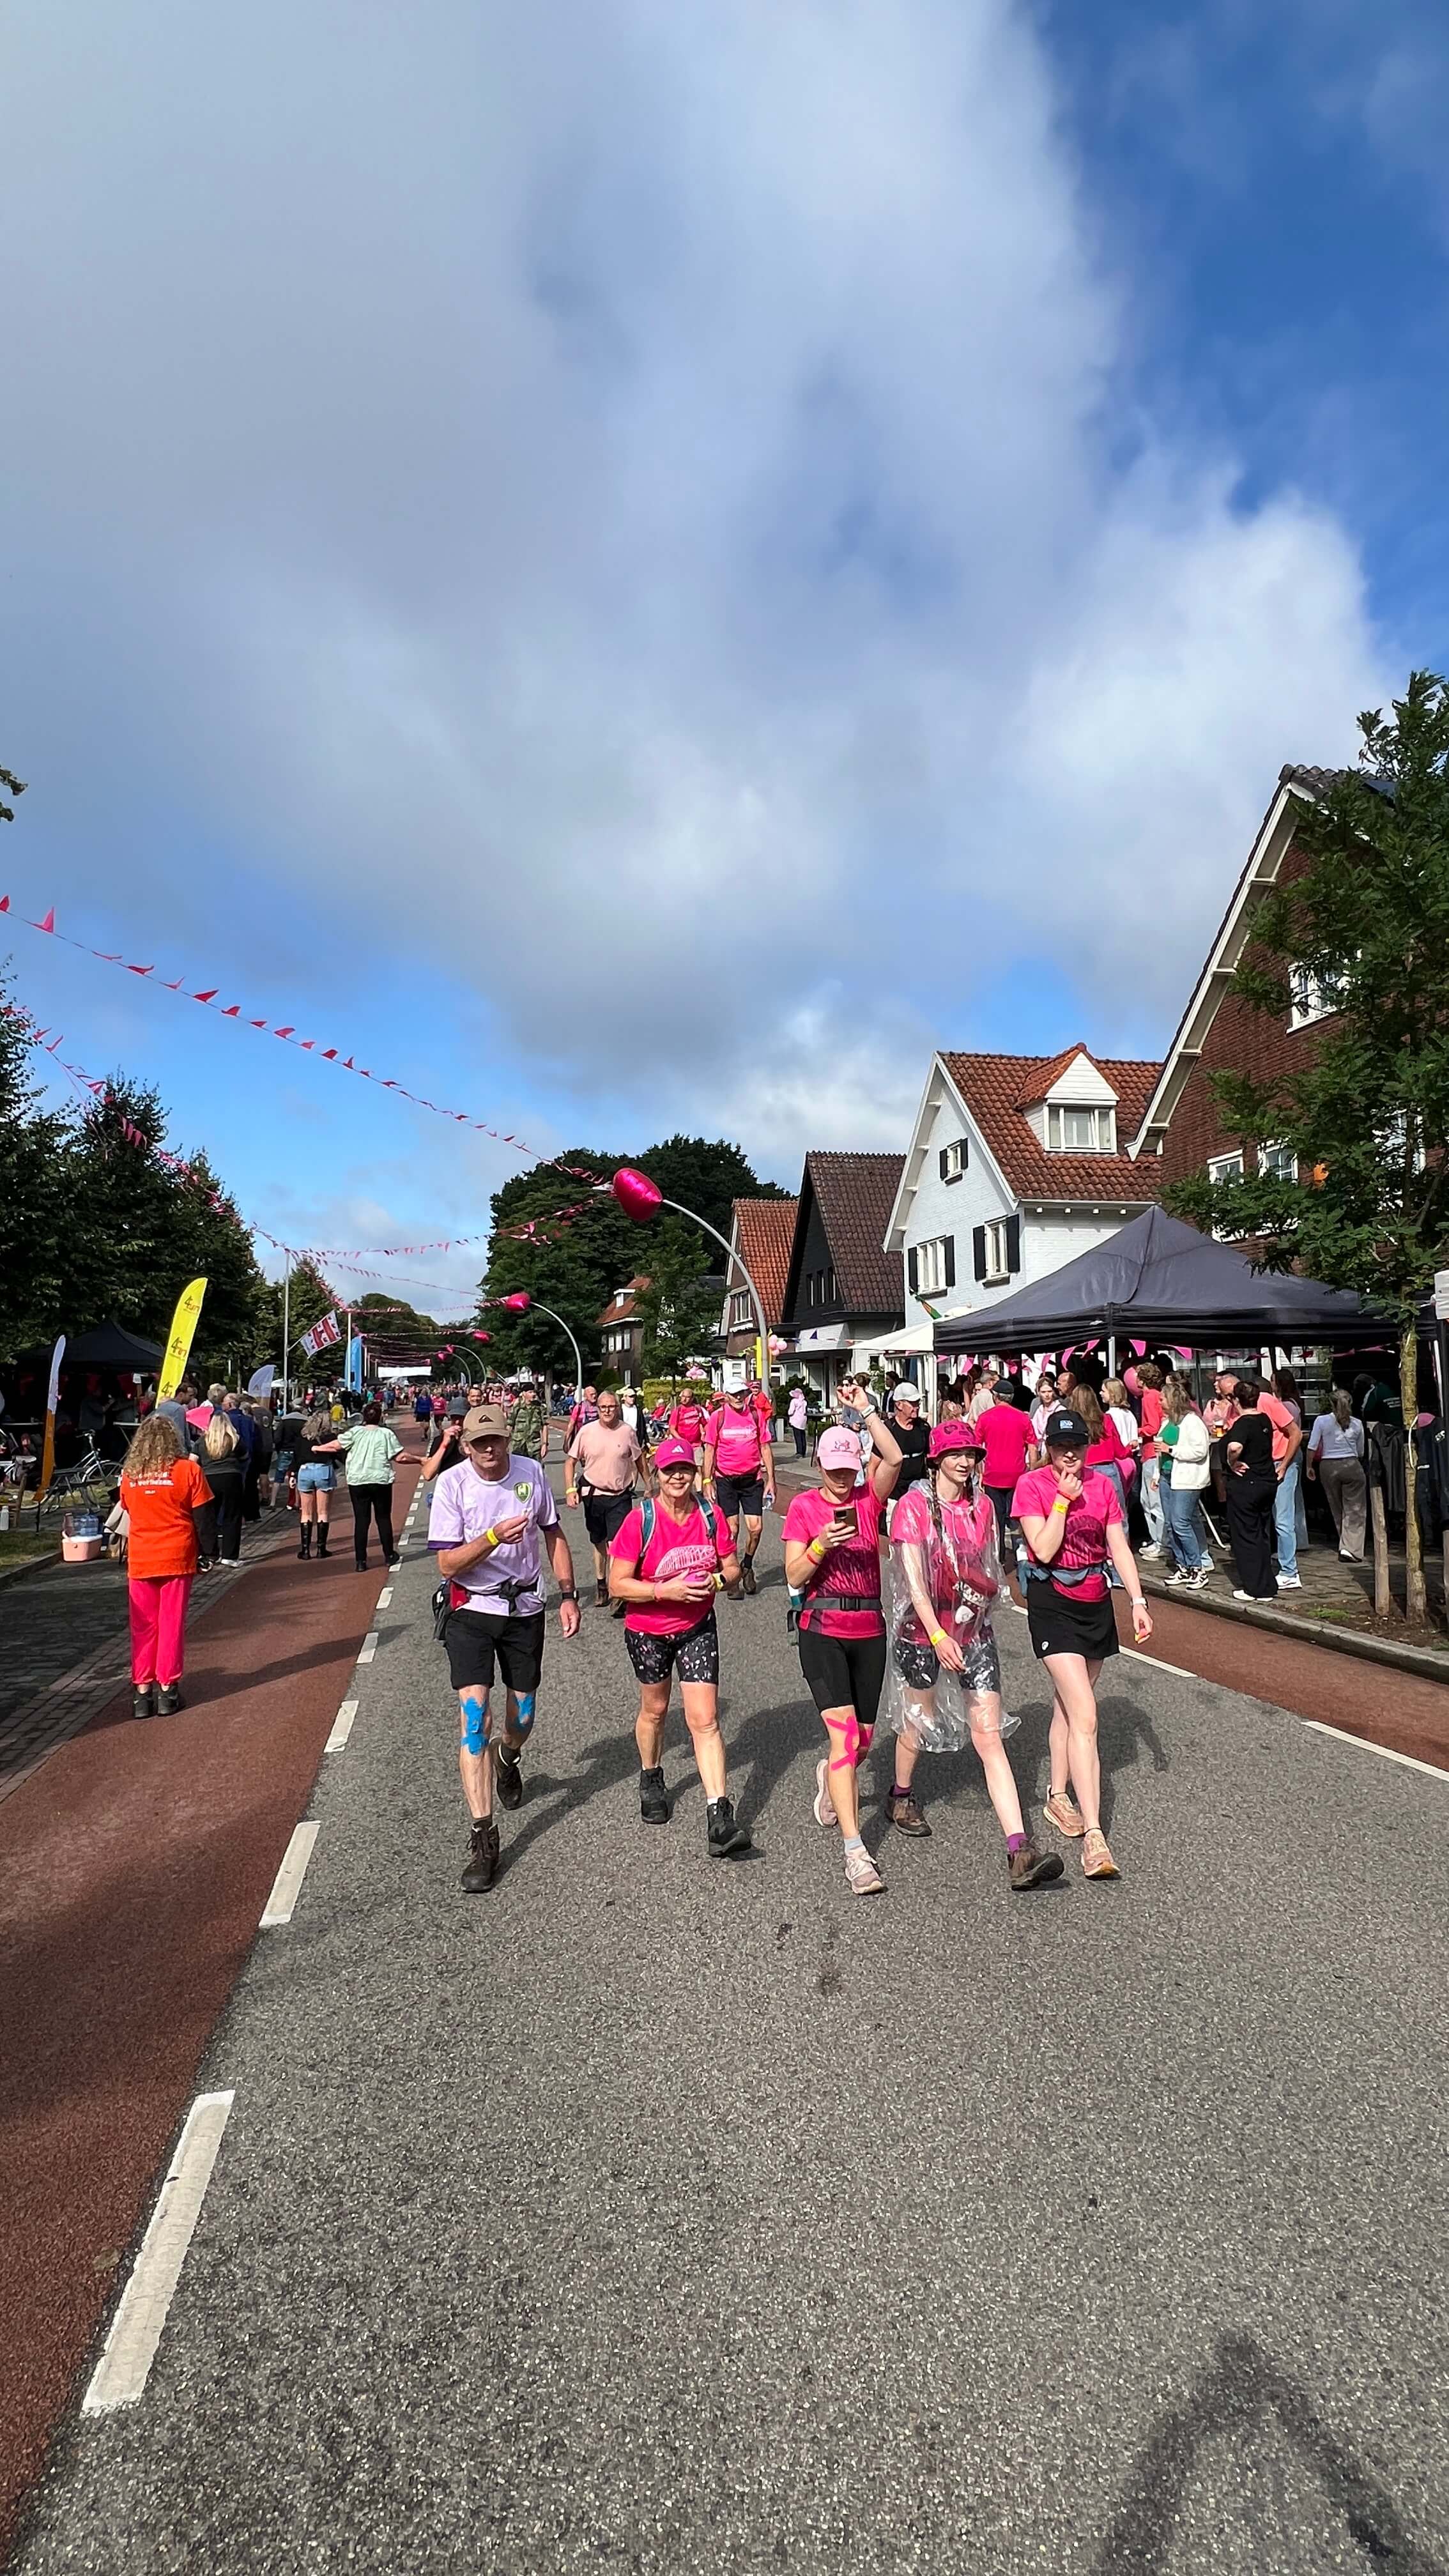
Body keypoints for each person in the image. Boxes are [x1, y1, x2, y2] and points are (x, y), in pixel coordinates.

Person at [885, 1419, 1061, 1887]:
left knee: (989, 1736)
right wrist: (938, 1636)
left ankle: (1019, 1848)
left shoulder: (983, 1506)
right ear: (936, 1459)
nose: (966, 1463)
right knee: (917, 1726)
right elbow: (912, 1583)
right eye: (957, 1454)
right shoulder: (913, 1507)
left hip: (973, 1630)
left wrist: (981, 1613)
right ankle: (901, 1793)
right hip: (923, 1631)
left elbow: (987, 1567)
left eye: (972, 1455)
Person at [429, 1403, 581, 1892]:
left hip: (525, 1610)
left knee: (522, 1718)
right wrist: (493, 1537)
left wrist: (568, 1594)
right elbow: (448, 1565)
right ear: (466, 1445)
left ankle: (509, 1758)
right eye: (480, 1443)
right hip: (471, 1610)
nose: (490, 1450)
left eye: (497, 1440)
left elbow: (553, 1534)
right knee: (476, 1718)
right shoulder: (452, 1485)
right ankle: (483, 1834)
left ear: (507, 1440)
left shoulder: (531, 1473)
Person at [1012, 1407, 1153, 1880]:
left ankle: (1057, 1796)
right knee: (1087, 1713)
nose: (1068, 1455)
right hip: (1052, 1600)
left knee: (1068, 1711)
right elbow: (1045, 1549)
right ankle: (1095, 1837)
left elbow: (1118, 1546)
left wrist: (1137, 1600)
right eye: (1059, 1446)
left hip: (1095, 1600)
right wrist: (1061, 1501)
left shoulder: (1104, 1485)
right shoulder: (1031, 1486)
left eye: (1076, 1446)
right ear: (1047, 1447)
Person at [781, 1382, 903, 1897]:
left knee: (864, 1741)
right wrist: (818, 1547)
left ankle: (830, 1778)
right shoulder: (805, 1507)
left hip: (869, 1629)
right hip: (822, 1629)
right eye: (831, 1469)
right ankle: (856, 1853)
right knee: (846, 1738)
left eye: (846, 1469)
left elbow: (894, 1455)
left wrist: (866, 1411)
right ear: (818, 1464)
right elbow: (791, 1575)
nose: (838, 1478)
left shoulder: (868, 1498)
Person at [608, 1437, 752, 1855]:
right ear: (657, 1474)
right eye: (669, 1470)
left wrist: (718, 1582)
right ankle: (651, 1774)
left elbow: (732, 1570)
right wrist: (663, 1590)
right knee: (654, 1710)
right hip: (647, 1629)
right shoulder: (641, 1520)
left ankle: (719, 1816)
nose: (677, 1477)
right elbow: (618, 1584)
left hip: (697, 1627)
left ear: (695, 1473)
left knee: (705, 1720)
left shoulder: (710, 1516)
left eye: (684, 1470)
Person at [119, 1413, 212, 1717]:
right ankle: (167, 1691)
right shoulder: (188, 1470)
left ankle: (141, 1694)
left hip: (142, 1556)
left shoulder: (129, 1475)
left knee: (143, 1627)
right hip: (176, 1555)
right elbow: (203, 1517)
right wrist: (208, 1552)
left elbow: (128, 1508)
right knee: (171, 1623)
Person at [565, 1389, 645, 1609]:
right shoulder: (587, 1432)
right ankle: (601, 1584)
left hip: (620, 1496)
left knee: (617, 1543)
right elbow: (570, 1462)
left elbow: (639, 1460)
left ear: (617, 1408)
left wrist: (649, 1486)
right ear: (597, 1409)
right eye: (603, 1408)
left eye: (611, 1407)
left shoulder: (627, 1431)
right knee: (599, 1543)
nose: (608, 1411)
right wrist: (571, 1489)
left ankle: (616, 1589)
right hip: (593, 1494)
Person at [702, 1384, 776, 1596]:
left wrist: (772, 1479)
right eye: (733, 1394)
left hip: (752, 1480)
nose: (738, 1397)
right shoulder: (718, 1417)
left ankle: (747, 1566)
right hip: (726, 1479)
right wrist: (707, 1480)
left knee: (756, 1529)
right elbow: (710, 1449)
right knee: (731, 1530)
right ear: (725, 1396)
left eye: (741, 1393)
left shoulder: (755, 1415)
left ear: (746, 1394)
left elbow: (765, 1447)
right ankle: (732, 1574)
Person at [1222, 1377, 1278, 1601]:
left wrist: (1230, 1461)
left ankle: (1254, 1587)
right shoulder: (1264, 1419)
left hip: (1248, 1484)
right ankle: (1267, 1584)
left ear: (1236, 1400)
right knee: (1262, 1534)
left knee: (1245, 1536)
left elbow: (1235, 1447)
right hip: (1267, 1481)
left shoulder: (1242, 1423)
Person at [336, 1400, 404, 1571]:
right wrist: (420, 1460)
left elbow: (336, 1445)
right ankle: (389, 1555)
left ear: (364, 1417)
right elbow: (399, 1457)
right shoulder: (386, 1434)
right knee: (383, 1518)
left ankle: (361, 1561)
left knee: (361, 1520)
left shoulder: (355, 1432)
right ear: (380, 1417)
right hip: (380, 1479)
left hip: (358, 1481)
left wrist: (317, 1448)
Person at [1156, 1374, 1211, 1588]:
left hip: (1187, 1479)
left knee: (1181, 1523)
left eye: (1162, 1398)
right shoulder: (1168, 1421)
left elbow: (1199, 1451)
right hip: (1167, 1476)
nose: (1159, 1402)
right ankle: (1183, 1567)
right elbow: (1159, 1449)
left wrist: (1172, 1449)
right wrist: (1156, 1475)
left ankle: (1198, 1568)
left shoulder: (1192, 1422)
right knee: (1171, 1525)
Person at [975, 1380, 1036, 1552]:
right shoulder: (1023, 1418)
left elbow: (977, 1448)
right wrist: (1032, 1471)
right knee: (1019, 1519)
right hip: (1018, 1475)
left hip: (993, 1475)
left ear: (995, 1397)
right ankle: (1021, 1556)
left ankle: (1000, 1556)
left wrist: (980, 1473)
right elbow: (1032, 1446)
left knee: (996, 1520)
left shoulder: (985, 1418)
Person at [1307, 1389, 1368, 1560]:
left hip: (1328, 1466)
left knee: (1337, 1507)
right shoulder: (1357, 1423)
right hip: (1351, 1464)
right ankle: (1351, 1548)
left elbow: (1312, 1446)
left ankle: (1345, 1544)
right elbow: (1361, 1451)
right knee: (1355, 1509)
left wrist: (1309, 1467)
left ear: (1331, 1403)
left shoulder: (1321, 1421)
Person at [1268, 1367, 1308, 1586]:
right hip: (1289, 1458)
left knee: (1285, 1513)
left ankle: (1290, 1569)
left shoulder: (1286, 1406)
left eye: (1273, 1381)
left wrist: (1283, 1464)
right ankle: (1288, 1552)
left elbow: (1293, 1432)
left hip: (1288, 1458)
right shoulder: (1291, 1403)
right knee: (1288, 1509)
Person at [199, 1411, 248, 1566]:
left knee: (209, 1517)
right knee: (232, 1517)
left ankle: (211, 1554)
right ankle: (230, 1556)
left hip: (208, 1479)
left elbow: (193, 1460)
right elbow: (245, 1458)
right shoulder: (235, 1440)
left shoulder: (202, 1441)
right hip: (231, 1478)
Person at [293, 1408, 341, 1558]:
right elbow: (339, 1454)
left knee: (305, 1512)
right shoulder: (330, 1437)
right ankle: (321, 1549)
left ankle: (305, 1550)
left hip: (305, 1470)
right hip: (323, 1470)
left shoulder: (303, 1437)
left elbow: (296, 1456)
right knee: (323, 1512)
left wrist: (293, 1474)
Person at [1135, 1362, 1167, 1557]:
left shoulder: (1149, 1397)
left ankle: (1161, 1542)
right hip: (1150, 1452)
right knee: (1147, 1500)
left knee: (1152, 1501)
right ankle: (1158, 1540)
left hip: (1152, 1452)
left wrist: (1135, 1431)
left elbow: (1152, 1427)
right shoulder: (1155, 1396)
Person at [887, 1383, 930, 1501]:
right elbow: (874, 1464)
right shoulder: (888, 1429)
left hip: (919, 1493)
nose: (917, 1407)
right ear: (899, 1405)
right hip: (894, 1495)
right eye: (913, 1403)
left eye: (918, 1403)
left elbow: (930, 1457)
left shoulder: (923, 1427)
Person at [507, 1379, 548, 1462]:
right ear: (524, 1394)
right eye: (530, 1392)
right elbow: (510, 1425)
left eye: (534, 1392)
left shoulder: (540, 1408)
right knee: (518, 1469)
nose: (533, 1394)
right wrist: (505, 1444)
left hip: (534, 1446)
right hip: (518, 1445)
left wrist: (545, 1444)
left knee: (536, 1469)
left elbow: (545, 1426)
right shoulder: (517, 1407)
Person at [786, 1383, 809, 1459]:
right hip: (803, 1420)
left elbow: (791, 1411)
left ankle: (799, 1452)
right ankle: (803, 1451)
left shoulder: (794, 1401)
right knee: (803, 1436)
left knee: (797, 1437)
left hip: (796, 1421)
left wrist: (789, 1414)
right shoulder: (804, 1402)